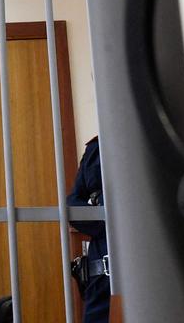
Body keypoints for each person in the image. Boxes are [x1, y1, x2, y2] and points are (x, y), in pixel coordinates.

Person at [68, 136, 110, 322]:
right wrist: (105, 223)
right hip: (102, 268)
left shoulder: (145, 136)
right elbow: (73, 203)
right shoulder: (95, 148)